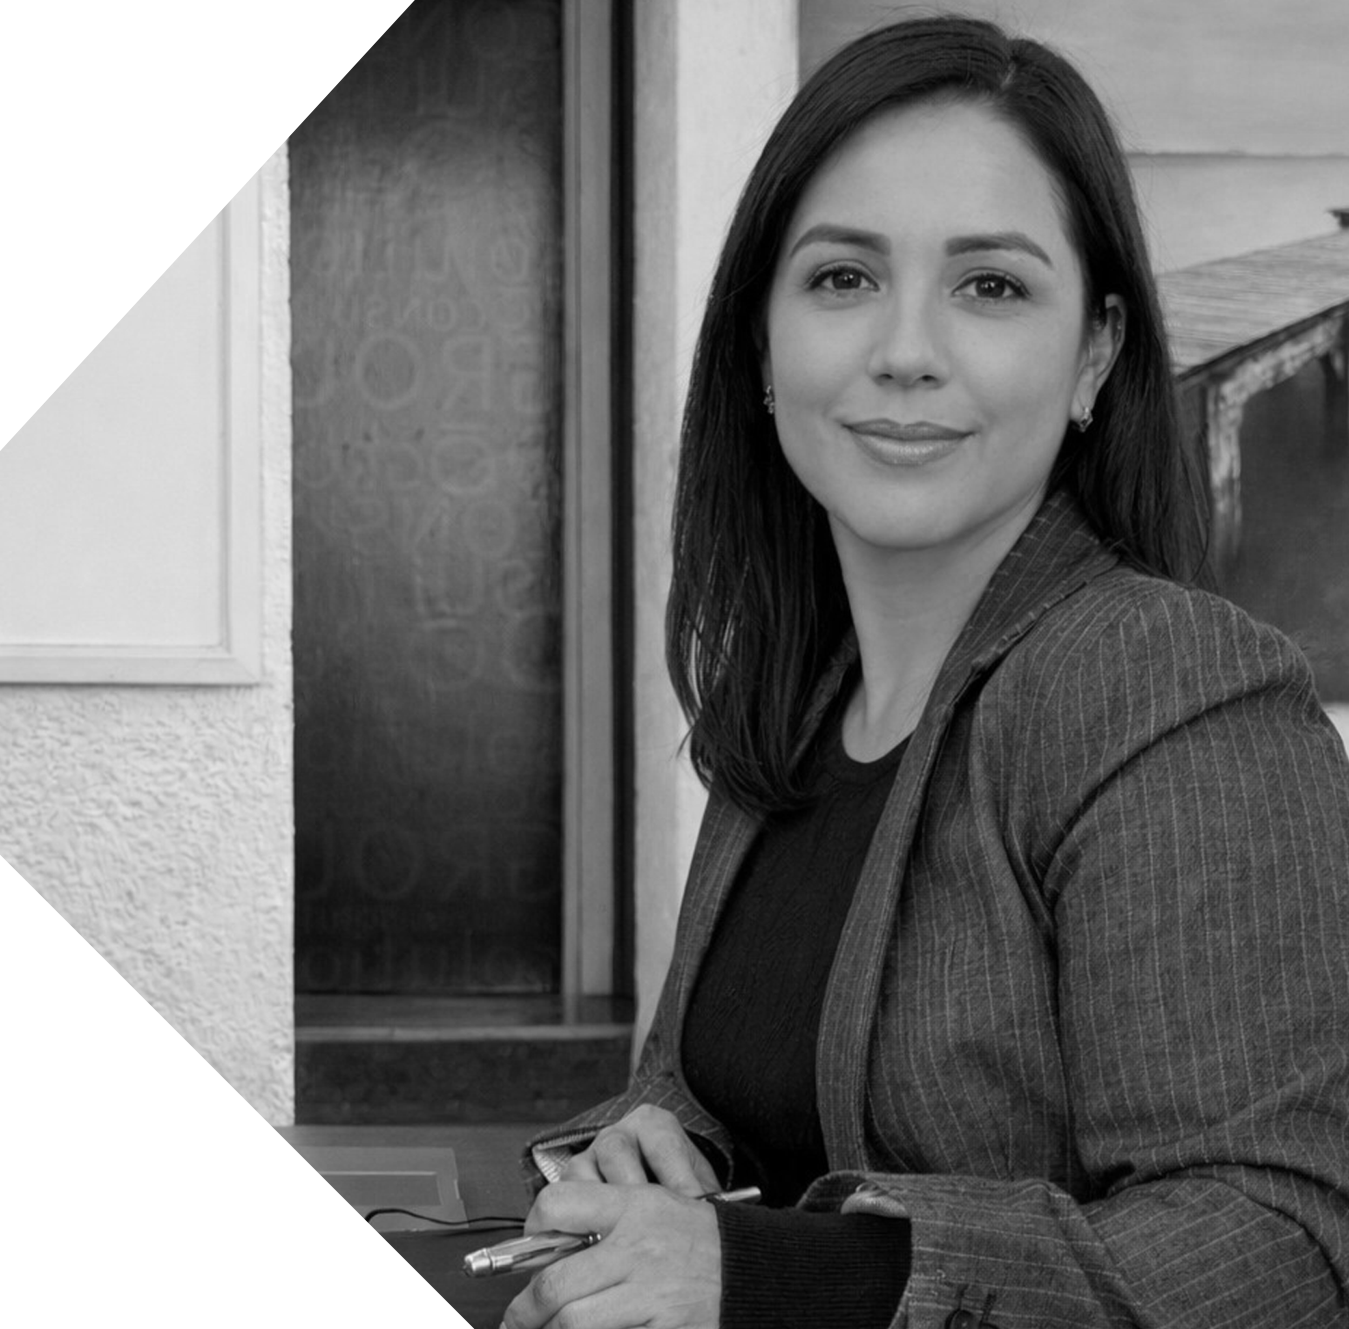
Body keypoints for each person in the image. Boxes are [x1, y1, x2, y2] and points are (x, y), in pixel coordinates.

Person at [504, 15, 1349, 1328]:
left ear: (1094, 354)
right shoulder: (795, 696)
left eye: (990, 286)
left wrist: (773, 1279)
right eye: (843, 277)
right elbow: (749, 1097)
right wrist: (651, 1150)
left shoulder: (1167, 691)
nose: (904, 349)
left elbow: (1274, 1250)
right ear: (762, 345)